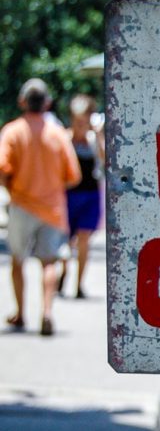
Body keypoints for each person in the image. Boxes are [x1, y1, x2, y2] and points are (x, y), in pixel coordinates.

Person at [0, 78, 80, 335]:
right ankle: (46, 312)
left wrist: (13, 187)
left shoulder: (12, 131)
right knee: (49, 262)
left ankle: (21, 314)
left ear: (22, 101)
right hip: (52, 208)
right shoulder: (57, 133)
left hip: (22, 205)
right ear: (47, 102)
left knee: (18, 261)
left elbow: (3, 167)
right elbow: (73, 176)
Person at [60, 94, 104, 299]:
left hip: (90, 194)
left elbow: (105, 162)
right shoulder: (64, 139)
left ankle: (78, 285)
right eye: (78, 122)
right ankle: (62, 274)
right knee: (66, 241)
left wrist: (99, 136)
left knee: (84, 240)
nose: (81, 126)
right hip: (68, 196)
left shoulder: (93, 141)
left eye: (84, 122)